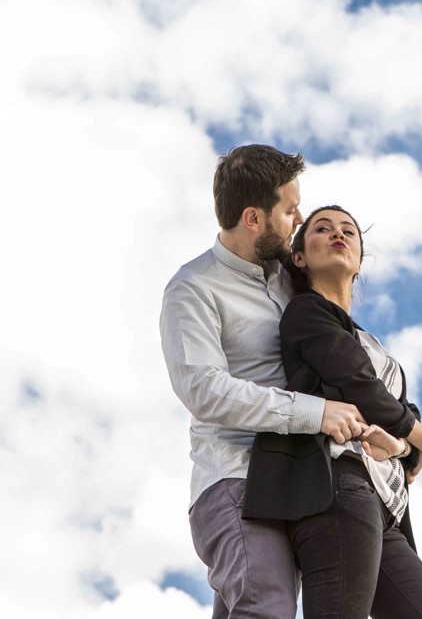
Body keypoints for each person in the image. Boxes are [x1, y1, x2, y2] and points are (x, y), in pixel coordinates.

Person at [160, 146, 368, 619]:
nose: (300, 219)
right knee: (266, 606)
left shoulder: (291, 278)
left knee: (255, 606)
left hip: (296, 482)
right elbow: (204, 390)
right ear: (253, 218)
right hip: (235, 478)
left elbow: (340, 350)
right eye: (289, 210)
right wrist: (315, 412)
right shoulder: (192, 289)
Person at [243, 205, 422, 619]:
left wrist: (402, 443)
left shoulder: (367, 340)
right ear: (299, 257)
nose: (338, 234)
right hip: (337, 487)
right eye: (322, 229)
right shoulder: (307, 312)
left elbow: (396, 409)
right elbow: (358, 383)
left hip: (384, 506)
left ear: (359, 261)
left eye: (348, 231)